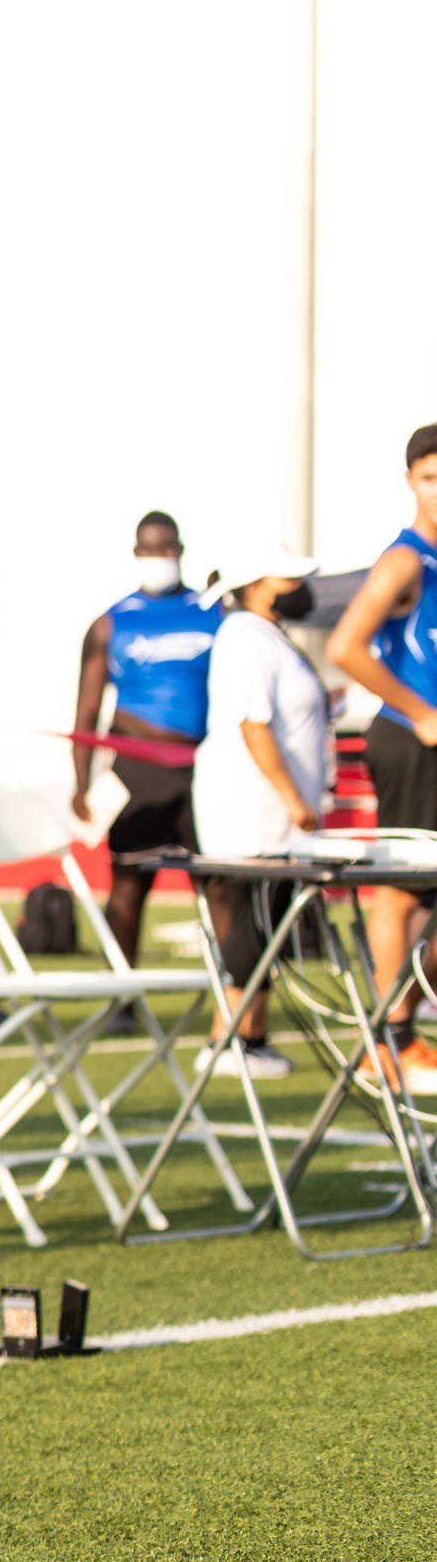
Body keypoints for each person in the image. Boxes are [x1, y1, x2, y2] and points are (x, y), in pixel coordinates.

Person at [323, 423, 437, 1093]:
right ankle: (391, 1042)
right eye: (430, 477)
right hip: (411, 739)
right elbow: (345, 647)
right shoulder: (406, 561)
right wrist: (420, 713)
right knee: (397, 889)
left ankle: (405, 1026)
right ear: (410, 483)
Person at [190, 544, 327, 1078]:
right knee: (246, 921)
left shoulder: (266, 635)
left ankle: (251, 1038)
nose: (298, 588)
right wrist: (293, 796)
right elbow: (252, 723)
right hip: (248, 810)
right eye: (286, 578)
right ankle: (228, 1041)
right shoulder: (243, 636)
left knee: (264, 924)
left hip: (272, 816)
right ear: (258, 584)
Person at [71, 510, 220, 972]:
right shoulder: (110, 623)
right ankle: (121, 995)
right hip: (138, 770)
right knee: (128, 884)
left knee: (218, 882)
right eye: (151, 550)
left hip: (201, 767)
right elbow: (87, 711)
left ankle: (233, 989)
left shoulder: (214, 612)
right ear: (137, 554)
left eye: (167, 549)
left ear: (180, 551)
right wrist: (80, 785)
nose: (160, 557)